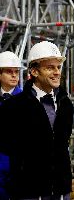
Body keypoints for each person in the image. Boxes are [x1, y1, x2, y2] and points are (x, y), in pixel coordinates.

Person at [0, 41, 74, 200]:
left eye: (58, 67)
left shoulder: (66, 104)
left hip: (61, 189)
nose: (56, 72)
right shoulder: (14, 106)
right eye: (50, 68)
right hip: (29, 191)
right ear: (34, 71)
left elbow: (64, 141)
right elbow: (6, 146)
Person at [0, 51, 23, 200]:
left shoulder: (27, 100)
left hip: (19, 160)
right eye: (9, 72)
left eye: (16, 72)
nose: (14, 75)